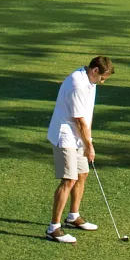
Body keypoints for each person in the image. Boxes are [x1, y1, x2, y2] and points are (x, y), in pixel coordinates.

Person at [45, 55, 114, 243]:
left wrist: (86, 141)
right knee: (69, 179)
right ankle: (54, 228)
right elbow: (79, 120)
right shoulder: (77, 84)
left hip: (79, 136)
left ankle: (73, 216)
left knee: (82, 174)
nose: (103, 81)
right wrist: (90, 145)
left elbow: (85, 118)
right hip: (65, 135)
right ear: (95, 71)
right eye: (103, 77)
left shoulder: (90, 81)